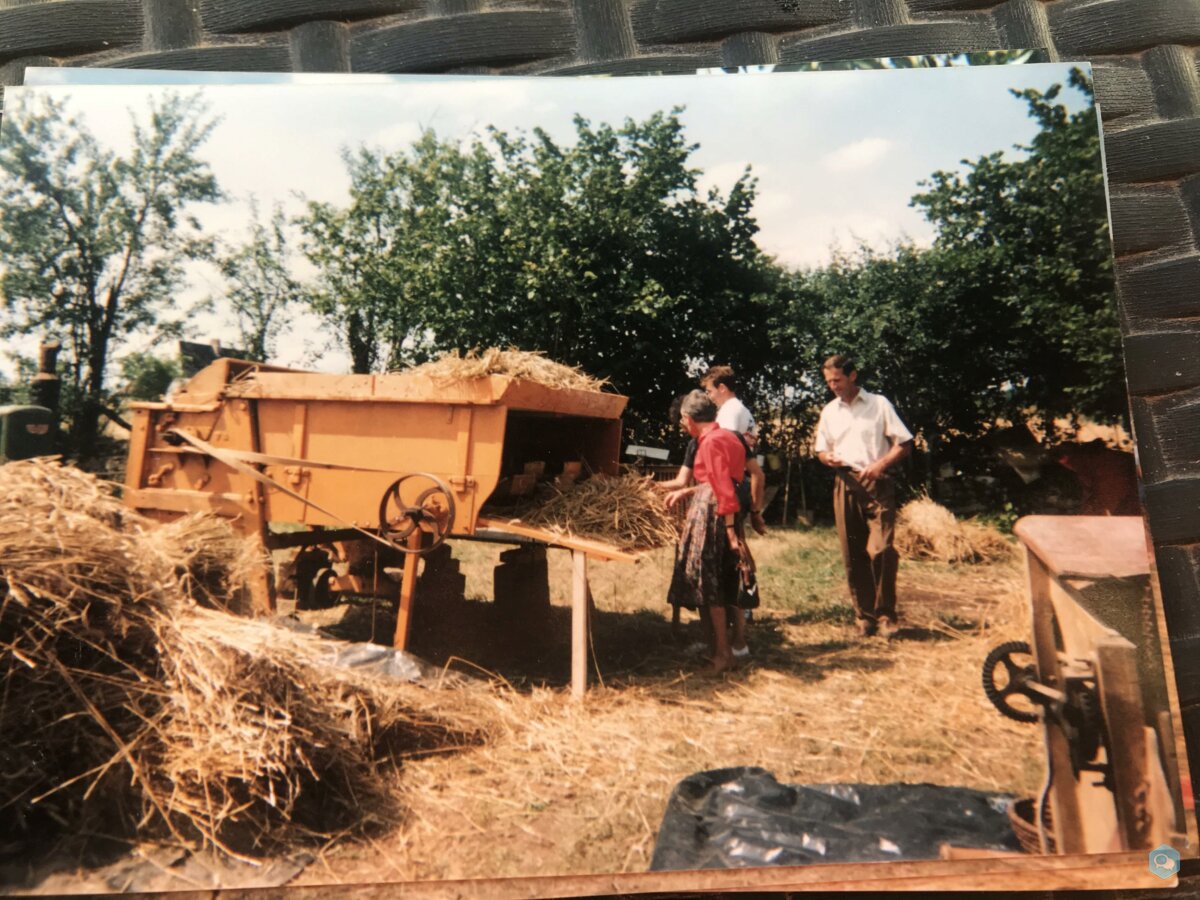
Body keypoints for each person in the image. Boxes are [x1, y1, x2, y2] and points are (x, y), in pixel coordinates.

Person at [813, 355, 913, 639]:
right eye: (829, 381)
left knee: (883, 550)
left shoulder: (878, 404)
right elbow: (821, 449)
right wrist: (826, 458)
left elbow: (904, 442)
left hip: (877, 483)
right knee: (852, 552)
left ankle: (886, 615)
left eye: (838, 380)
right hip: (844, 482)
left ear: (852, 376)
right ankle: (865, 617)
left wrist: (880, 464)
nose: (833, 386)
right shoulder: (830, 411)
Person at [664, 390, 747, 674]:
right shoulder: (730, 437)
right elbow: (726, 481)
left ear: (689, 419)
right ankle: (720, 651)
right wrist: (690, 490)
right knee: (719, 583)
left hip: (712, 512)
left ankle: (723, 655)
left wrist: (730, 532)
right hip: (717, 506)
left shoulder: (709, 442)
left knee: (708, 585)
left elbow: (723, 489)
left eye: (683, 422)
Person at [701, 365, 768, 535]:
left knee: (726, 541)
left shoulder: (729, 411)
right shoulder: (741, 409)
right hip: (741, 482)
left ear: (721, 388)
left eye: (709, 391)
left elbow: (724, 453)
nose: (709, 396)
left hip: (732, 485)